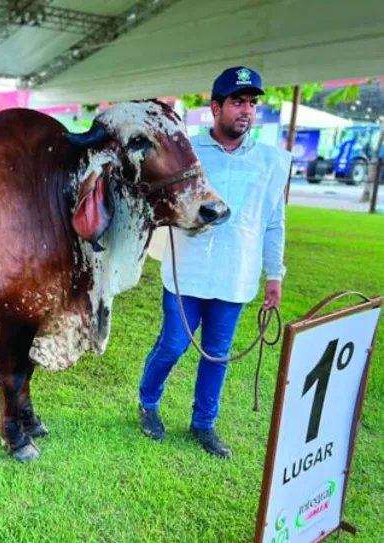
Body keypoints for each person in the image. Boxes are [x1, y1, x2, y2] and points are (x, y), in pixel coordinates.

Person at [138, 66, 291, 458]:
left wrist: (275, 273)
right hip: (185, 271)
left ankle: (203, 424)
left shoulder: (271, 162)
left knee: (218, 355)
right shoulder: (183, 150)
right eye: (237, 102)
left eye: (252, 103)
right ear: (215, 107)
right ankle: (148, 403)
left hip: (235, 275)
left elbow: (274, 222)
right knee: (173, 344)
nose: (246, 110)